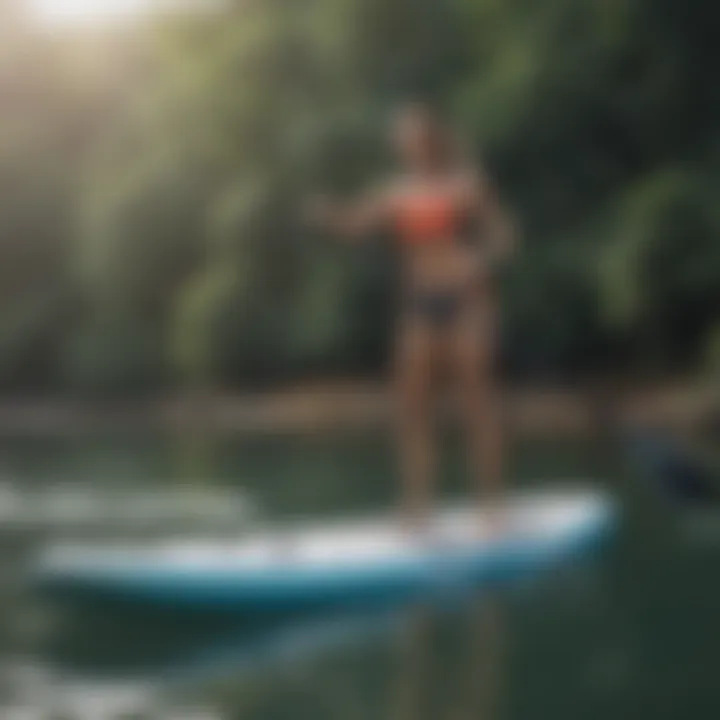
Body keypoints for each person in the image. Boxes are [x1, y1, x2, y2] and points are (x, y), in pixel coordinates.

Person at [309, 101, 516, 531]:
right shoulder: (395, 191)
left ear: (432, 138)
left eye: (413, 134)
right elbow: (355, 225)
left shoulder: (466, 183)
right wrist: (327, 215)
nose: (406, 142)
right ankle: (418, 509)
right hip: (419, 305)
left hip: (465, 301)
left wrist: (479, 263)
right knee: (412, 410)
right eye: (400, 137)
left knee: (477, 405)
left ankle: (491, 508)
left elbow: (503, 235)